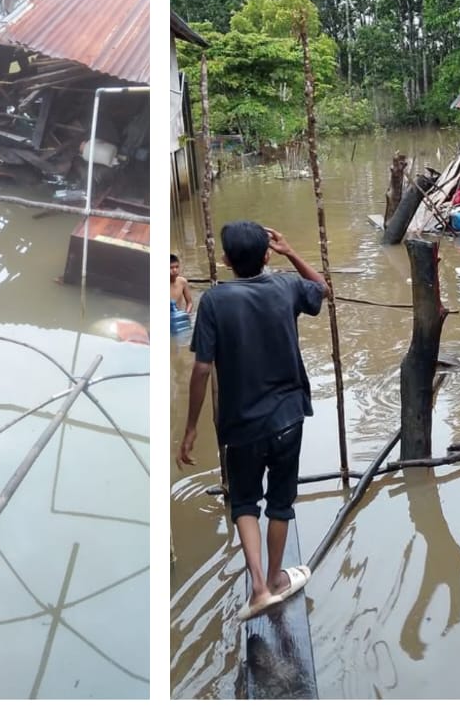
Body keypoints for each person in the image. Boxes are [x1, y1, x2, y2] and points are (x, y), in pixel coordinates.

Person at [176, 221, 329, 620]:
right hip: (289, 418)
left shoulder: (214, 301)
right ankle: (278, 579)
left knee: (244, 501)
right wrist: (291, 251)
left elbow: (202, 370)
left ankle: (259, 587)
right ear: (267, 254)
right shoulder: (285, 286)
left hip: (242, 425)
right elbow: (322, 289)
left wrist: (191, 427)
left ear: (225, 260)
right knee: (281, 503)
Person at [170, 254, 194, 335]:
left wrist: (186, 314)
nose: (175, 270)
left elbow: (190, 302)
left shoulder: (182, 282)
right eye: (171, 268)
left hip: (179, 317)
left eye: (177, 267)